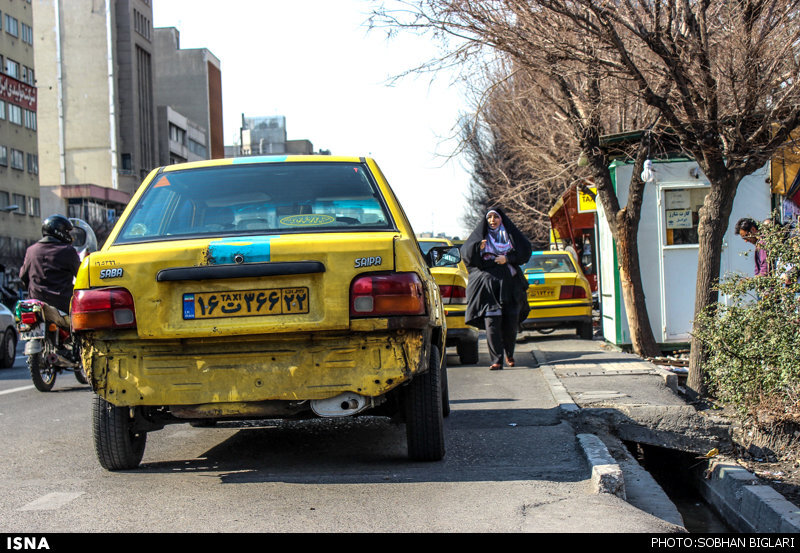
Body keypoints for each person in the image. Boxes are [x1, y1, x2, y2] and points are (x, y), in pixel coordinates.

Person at [461, 207, 532, 370]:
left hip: (510, 288)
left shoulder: (510, 236)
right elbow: (467, 256)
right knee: (492, 324)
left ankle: (510, 354)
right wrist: (478, 248)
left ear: (502, 219)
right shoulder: (481, 239)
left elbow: (524, 251)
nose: (492, 221)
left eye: (496, 217)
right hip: (488, 290)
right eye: (489, 218)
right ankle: (496, 360)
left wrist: (507, 258)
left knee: (510, 323)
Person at [19, 215, 81, 323]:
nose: (69, 235)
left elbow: (23, 277)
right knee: (78, 331)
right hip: (62, 306)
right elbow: (81, 275)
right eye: (67, 232)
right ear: (60, 231)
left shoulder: (31, 250)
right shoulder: (67, 251)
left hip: (35, 305)